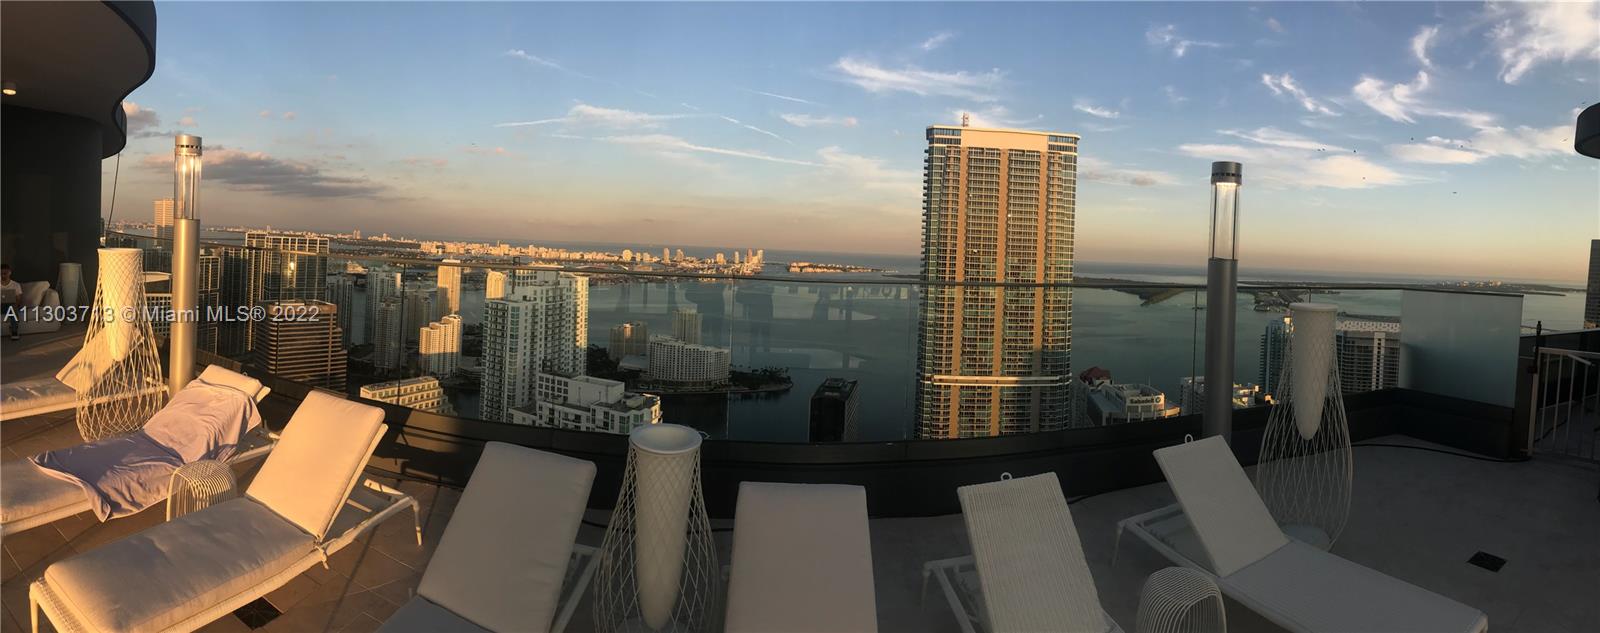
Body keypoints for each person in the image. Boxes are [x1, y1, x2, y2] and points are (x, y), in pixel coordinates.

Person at [2, 263, 23, 341]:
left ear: (9, 273)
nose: (3, 275)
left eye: (5, 273)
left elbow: (19, 299)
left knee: (12, 306)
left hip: (11, 307)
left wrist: (14, 306)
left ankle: (14, 331)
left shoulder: (16, 285)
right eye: (1, 274)